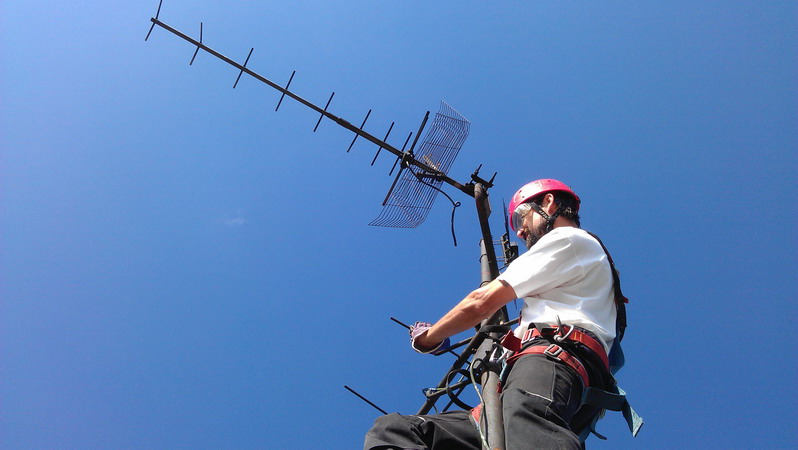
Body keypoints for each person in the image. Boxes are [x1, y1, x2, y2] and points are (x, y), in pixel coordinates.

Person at [364, 179, 622, 450]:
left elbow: (482, 302)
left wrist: (429, 338)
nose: (520, 232)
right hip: (524, 382)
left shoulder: (567, 239)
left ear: (548, 202)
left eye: (521, 216)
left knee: (528, 429)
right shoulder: (578, 261)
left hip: (551, 362)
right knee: (396, 431)